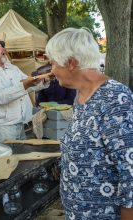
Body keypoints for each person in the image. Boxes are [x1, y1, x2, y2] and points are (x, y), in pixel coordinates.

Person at [45, 27, 133, 220]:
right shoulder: (81, 96)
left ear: (71, 63)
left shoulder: (115, 99)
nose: (51, 70)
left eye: (53, 63)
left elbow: (131, 174)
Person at [0, 37, 51, 143]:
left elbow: (28, 84)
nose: (3, 49)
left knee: (20, 156)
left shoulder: (12, 68)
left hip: (19, 123)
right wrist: (25, 84)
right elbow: (1, 97)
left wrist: (43, 81)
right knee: (6, 158)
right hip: (3, 128)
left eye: (2, 47)